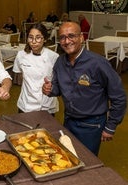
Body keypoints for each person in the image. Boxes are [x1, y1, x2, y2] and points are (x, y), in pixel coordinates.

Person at [42, 22, 126, 155]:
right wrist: (49, 89)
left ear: (81, 37)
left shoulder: (98, 63)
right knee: (68, 156)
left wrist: (110, 126)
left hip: (92, 125)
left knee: (87, 162)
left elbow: (119, 97)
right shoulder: (60, 62)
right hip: (69, 120)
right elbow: (57, 88)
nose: (67, 41)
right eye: (62, 37)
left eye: (71, 36)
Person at [13, 23, 59, 114]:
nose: (33, 42)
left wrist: (52, 86)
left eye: (38, 37)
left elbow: (58, 81)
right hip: (26, 104)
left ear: (45, 39)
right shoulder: (21, 55)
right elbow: (18, 75)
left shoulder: (53, 57)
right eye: (30, 37)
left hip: (47, 105)